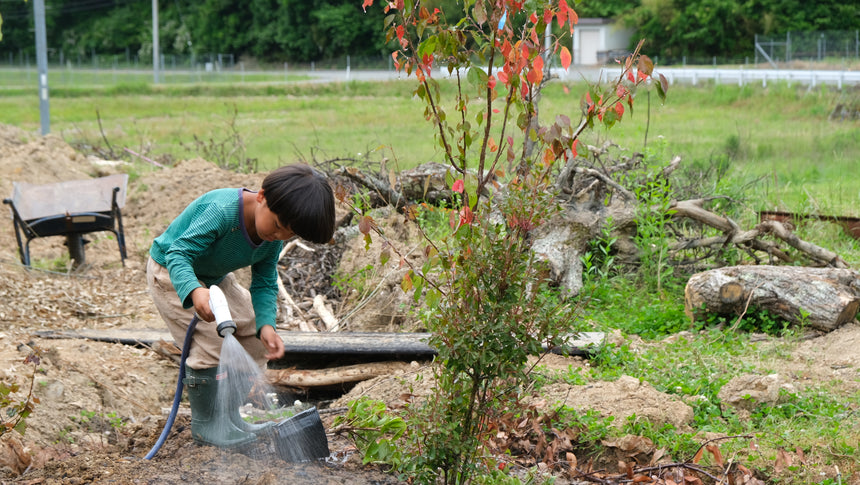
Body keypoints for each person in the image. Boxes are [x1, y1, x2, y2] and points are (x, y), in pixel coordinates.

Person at [145, 163, 335, 447]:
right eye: (278, 225)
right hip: (172, 272)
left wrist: (267, 326)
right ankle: (208, 425)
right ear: (261, 197)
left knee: (252, 332)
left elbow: (264, 282)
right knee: (211, 339)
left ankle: (229, 417)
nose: (279, 236)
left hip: (214, 278)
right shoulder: (222, 212)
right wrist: (195, 291)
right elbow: (178, 253)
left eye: (289, 234)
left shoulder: (271, 237)